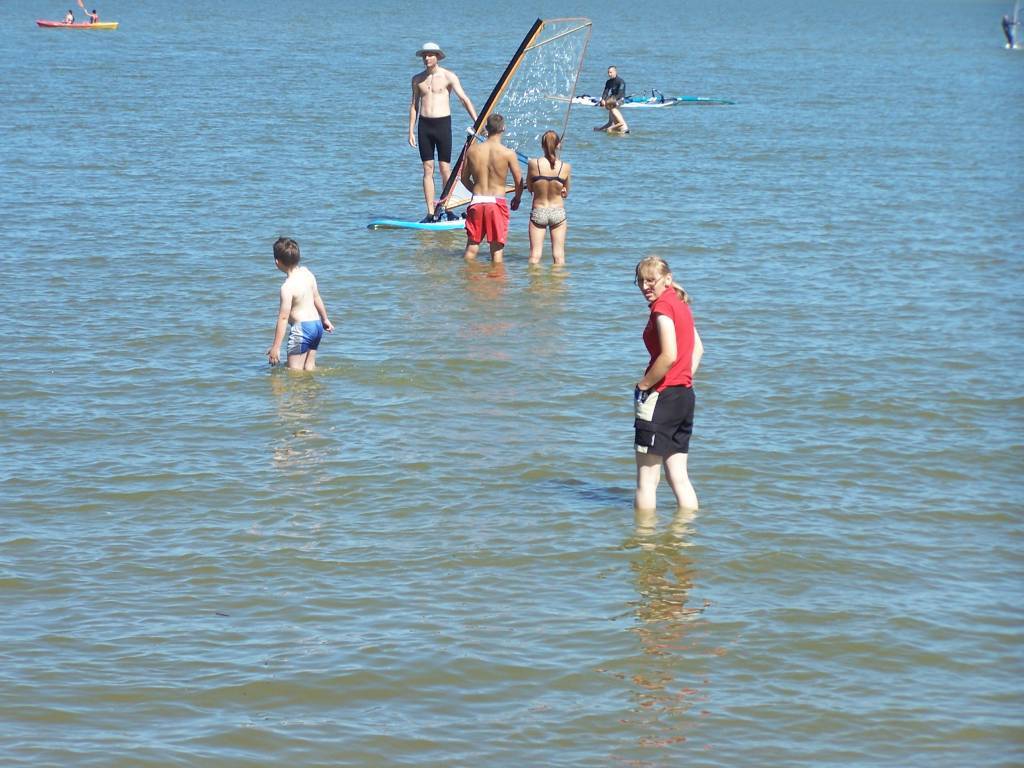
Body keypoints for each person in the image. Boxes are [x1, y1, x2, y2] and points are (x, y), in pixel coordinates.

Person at [632, 256, 704, 514]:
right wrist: (682, 378)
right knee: (679, 477)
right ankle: (686, 534)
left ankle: (644, 537)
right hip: (684, 397)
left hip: (661, 398)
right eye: (640, 281)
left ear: (667, 279)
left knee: (646, 482)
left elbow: (669, 355)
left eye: (651, 280)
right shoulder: (680, 303)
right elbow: (698, 349)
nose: (645, 286)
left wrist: (643, 385)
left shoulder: (662, 308)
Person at [409, 42, 477, 223]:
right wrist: (410, 130)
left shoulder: (448, 76)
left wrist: (477, 121)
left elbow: (463, 99)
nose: (427, 58)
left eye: (430, 55)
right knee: (427, 168)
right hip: (424, 125)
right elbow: (414, 105)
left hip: (442, 124)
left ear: (438, 56)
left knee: (445, 168)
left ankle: (448, 208)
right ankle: (430, 213)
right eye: (424, 55)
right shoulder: (417, 79)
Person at [460, 113, 522, 263]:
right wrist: (517, 198)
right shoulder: (508, 153)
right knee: (496, 251)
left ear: (486, 128)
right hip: (496, 202)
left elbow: (464, 179)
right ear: (503, 128)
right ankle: (496, 278)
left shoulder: (472, 151)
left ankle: (466, 276)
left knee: (472, 247)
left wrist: (477, 192)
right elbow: (519, 181)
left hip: (477, 200)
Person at [266, 237, 334, 371]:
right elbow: (316, 297)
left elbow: (283, 318)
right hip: (317, 326)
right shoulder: (307, 273)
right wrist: (325, 319)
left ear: (277, 262)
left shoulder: (287, 287)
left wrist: (276, 347)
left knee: (294, 372)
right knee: (309, 368)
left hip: (302, 330)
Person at [526, 130, 571, 265]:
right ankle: (557, 279)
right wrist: (562, 189)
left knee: (535, 256)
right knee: (559, 256)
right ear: (558, 145)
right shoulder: (565, 167)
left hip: (539, 211)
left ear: (542, 145)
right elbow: (565, 193)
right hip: (558, 212)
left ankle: (533, 279)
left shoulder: (533, 164)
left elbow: (530, 188)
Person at [595, 66, 629, 134]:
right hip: (612, 98)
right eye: (608, 72)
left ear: (615, 72)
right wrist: (603, 99)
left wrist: (611, 101)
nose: (609, 74)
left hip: (620, 98)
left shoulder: (621, 82)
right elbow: (605, 92)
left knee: (615, 106)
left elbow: (620, 94)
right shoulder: (608, 82)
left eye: (611, 72)